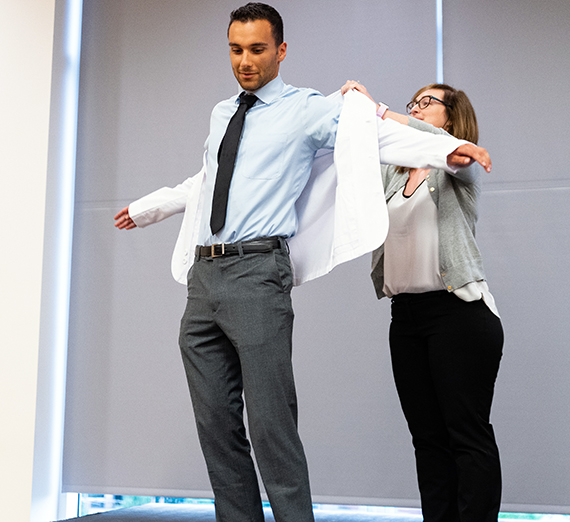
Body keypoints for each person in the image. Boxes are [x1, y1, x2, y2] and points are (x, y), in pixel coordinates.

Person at [114, 4, 493, 521]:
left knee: (271, 428)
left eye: (257, 49)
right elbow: (207, 182)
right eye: (235, 49)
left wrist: (448, 149)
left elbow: (372, 135)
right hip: (204, 280)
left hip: (256, 272)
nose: (245, 61)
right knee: (216, 427)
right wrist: (149, 207)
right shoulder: (223, 113)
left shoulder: (307, 109)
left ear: (280, 50)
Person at [343, 80, 504, 522]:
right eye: (413, 102)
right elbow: (361, 153)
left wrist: (382, 109)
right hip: (407, 319)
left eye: (426, 103)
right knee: (427, 439)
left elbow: (439, 144)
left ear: (451, 116)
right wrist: (355, 110)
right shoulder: (393, 171)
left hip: (460, 315)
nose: (416, 108)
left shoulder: (460, 160)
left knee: (466, 435)